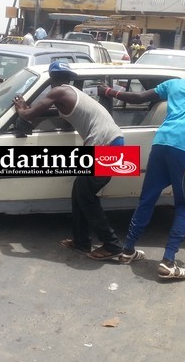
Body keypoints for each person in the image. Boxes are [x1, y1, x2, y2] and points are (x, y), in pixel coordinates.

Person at [97, 53, 185, 278]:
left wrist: (109, 91)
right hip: (184, 151)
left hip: (161, 144)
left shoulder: (174, 85)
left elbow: (137, 97)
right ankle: (168, 261)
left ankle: (128, 251)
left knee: (146, 199)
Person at [13, 62, 131, 261]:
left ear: (51, 78)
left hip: (104, 145)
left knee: (86, 197)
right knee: (79, 193)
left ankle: (112, 245)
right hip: (111, 142)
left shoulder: (58, 92)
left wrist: (21, 107)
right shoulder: (71, 93)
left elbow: (28, 115)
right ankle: (81, 241)